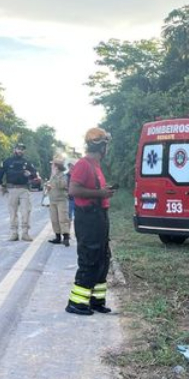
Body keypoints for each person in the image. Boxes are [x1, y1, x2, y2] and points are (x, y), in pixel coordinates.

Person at [65, 128, 115, 315]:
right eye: (106, 145)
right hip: (88, 218)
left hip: (99, 216)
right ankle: (76, 303)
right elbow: (73, 190)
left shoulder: (96, 166)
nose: (107, 149)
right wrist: (100, 193)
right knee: (90, 258)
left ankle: (95, 301)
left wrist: (104, 192)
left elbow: (91, 189)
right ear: (101, 146)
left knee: (103, 258)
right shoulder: (84, 164)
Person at [0, 142, 39, 241]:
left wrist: (30, 174)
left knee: (26, 211)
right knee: (13, 212)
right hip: (11, 189)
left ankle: (25, 233)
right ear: (14, 150)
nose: (20, 151)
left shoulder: (27, 162)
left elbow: (35, 174)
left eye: (22, 149)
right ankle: (14, 233)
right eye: (18, 149)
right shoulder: (7, 161)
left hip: (24, 189)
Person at [45, 154, 71, 247]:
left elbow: (62, 185)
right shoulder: (52, 176)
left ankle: (66, 237)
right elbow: (51, 186)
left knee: (63, 219)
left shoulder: (62, 175)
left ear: (57, 166)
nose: (51, 166)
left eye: (53, 165)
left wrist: (56, 176)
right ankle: (57, 237)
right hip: (53, 200)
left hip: (61, 200)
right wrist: (48, 187)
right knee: (54, 219)